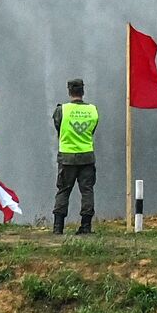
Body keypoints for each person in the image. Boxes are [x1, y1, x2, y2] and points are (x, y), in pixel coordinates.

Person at [52, 78, 99, 235]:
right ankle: (86, 226)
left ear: (69, 91)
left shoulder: (61, 110)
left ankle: (58, 227)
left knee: (63, 190)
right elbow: (92, 130)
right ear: (83, 91)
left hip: (67, 157)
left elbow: (58, 127)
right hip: (86, 156)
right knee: (87, 191)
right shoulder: (93, 110)